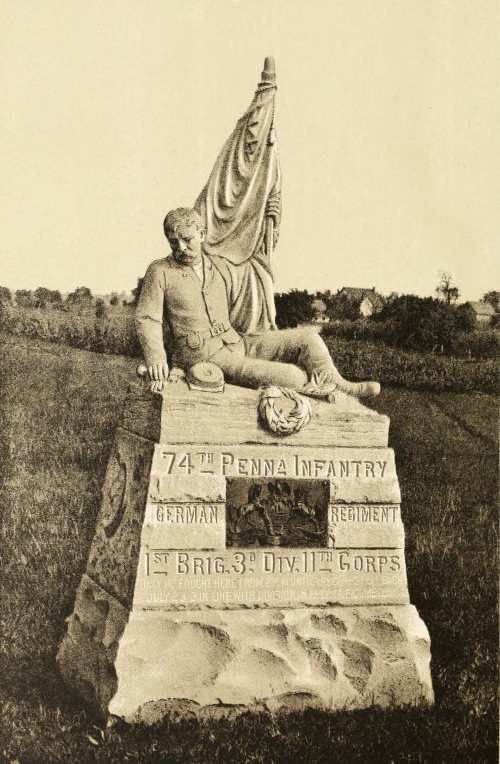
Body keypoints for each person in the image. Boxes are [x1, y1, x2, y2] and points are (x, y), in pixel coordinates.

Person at [135, 207, 380, 399]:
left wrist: (271, 223)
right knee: (293, 376)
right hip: (201, 356)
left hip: (237, 342)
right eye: (173, 242)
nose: (181, 248)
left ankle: (340, 386)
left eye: (187, 240)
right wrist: (156, 358)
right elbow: (148, 318)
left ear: (201, 234)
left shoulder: (219, 264)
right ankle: (314, 391)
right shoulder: (160, 271)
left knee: (309, 337)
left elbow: (256, 258)